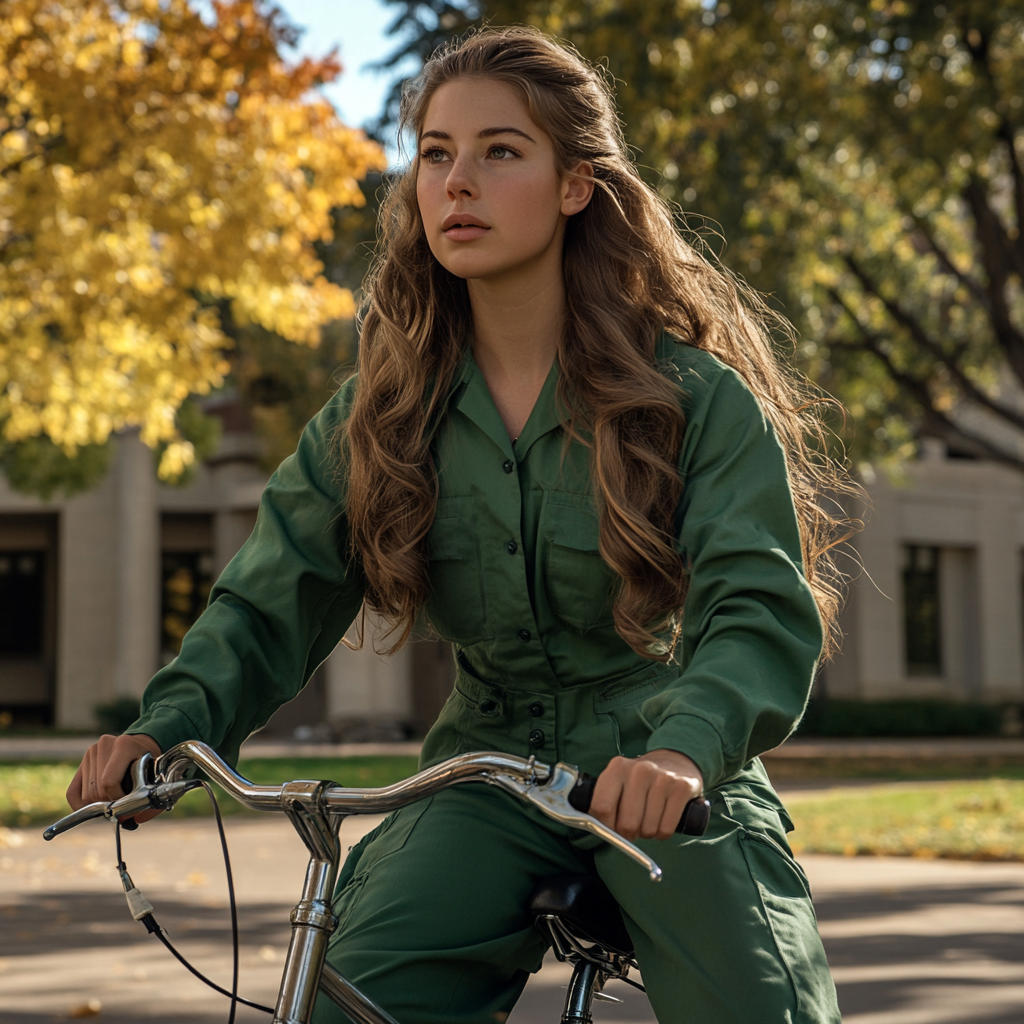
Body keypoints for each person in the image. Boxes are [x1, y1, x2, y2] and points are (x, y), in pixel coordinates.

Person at [67, 26, 846, 1024]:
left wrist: (685, 750)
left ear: (575, 185)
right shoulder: (378, 416)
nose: (456, 182)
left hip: (665, 768)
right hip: (484, 768)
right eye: (436, 154)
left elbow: (755, 605)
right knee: (346, 996)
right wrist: (165, 731)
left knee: (764, 1008)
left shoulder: (693, 400)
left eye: (499, 151)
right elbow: (270, 599)